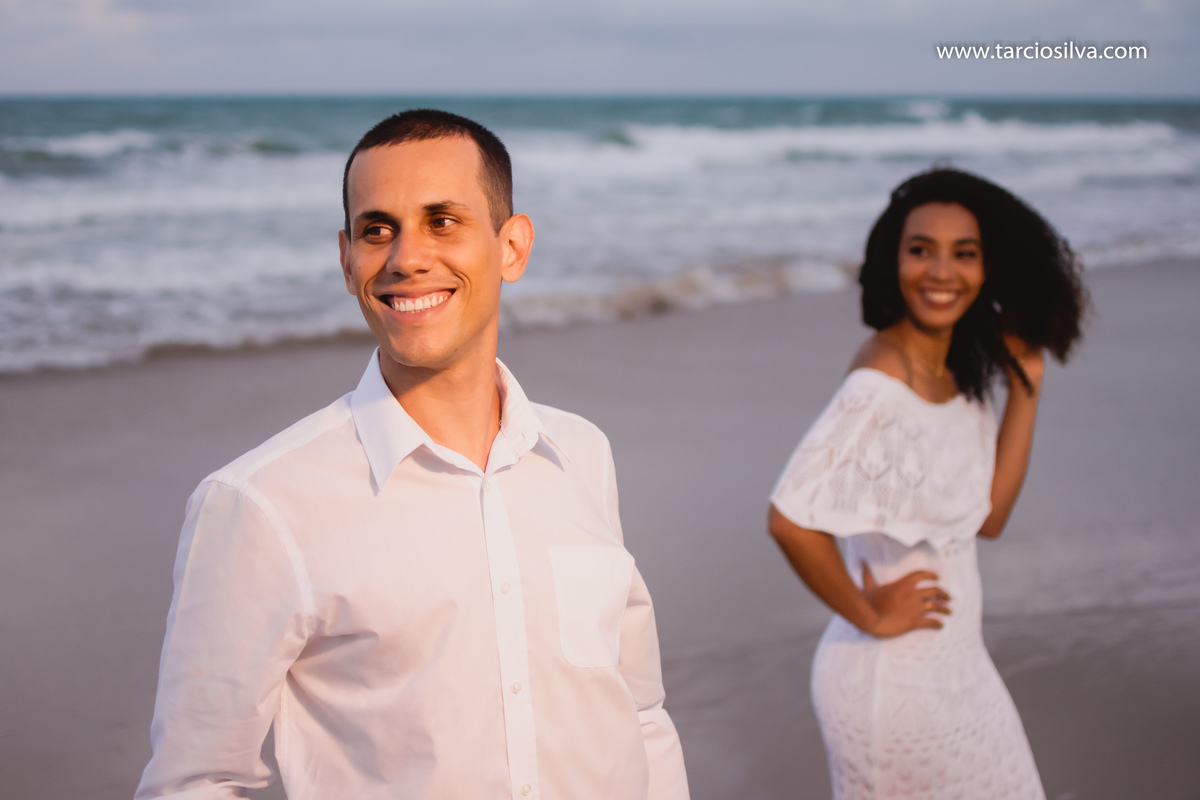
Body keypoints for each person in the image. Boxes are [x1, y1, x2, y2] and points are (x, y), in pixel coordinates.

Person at [136, 109, 690, 800]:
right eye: (377, 230)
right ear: (346, 260)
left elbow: (636, 712)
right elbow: (199, 781)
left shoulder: (580, 453)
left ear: (512, 247)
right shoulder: (261, 504)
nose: (406, 257)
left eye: (442, 221)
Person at [768, 168, 1085, 799]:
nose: (942, 272)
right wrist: (869, 614)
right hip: (895, 682)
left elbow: (987, 518)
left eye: (963, 254)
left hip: (960, 668)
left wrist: (1028, 384)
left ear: (988, 268)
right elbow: (790, 520)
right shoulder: (880, 381)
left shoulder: (961, 369)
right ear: (894, 261)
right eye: (921, 251)